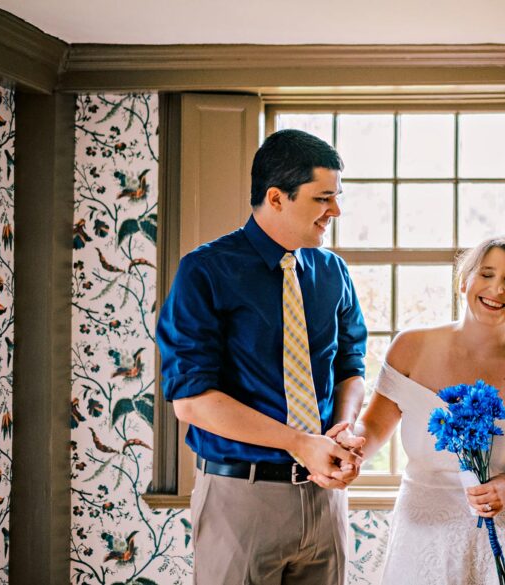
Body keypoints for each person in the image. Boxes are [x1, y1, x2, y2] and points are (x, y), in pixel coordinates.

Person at [157, 129, 368, 585]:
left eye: (337, 197)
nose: (335, 211)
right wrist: (300, 443)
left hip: (324, 498)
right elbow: (191, 401)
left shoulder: (333, 272)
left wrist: (343, 428)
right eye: (323, 198)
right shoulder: (205, 270)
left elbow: (351, 367)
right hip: (240, 497)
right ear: (276, 197)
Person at [348, 237, 505, 584]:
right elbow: (373, 427)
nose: (496, 289)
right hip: (422, 530)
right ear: (463, 280)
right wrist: (347, 449)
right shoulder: (410, 347)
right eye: (486, 274)